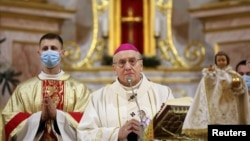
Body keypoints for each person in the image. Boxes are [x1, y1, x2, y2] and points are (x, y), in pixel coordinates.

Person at [1, 33, 91, 141]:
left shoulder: (79, 89)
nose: (49, 52)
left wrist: (57, 115)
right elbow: (9, 121)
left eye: (53, 48)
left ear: (62, 53)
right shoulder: (24, 89)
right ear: (39, 53)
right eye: (45, 48)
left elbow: (89, 122)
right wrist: (40, 118)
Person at [77, 43, 174, 141]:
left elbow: (174, 133)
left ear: (141, 65)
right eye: (122, 62)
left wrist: (146, 135)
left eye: (132, 61)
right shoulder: (98, 98)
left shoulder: (164, 94)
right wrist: (116, 134)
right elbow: (84, 134)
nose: (127, 67)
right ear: (114, 69)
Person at [182, 51, 250, 140]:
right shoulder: (211, 74)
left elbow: (239, 90)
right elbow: (207, 86)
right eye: (219, 60)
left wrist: (237, 84)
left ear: (228, 61)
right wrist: (210, 75)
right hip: (216, 109)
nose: (221, 62)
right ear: (216, 62)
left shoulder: (234, 75)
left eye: (223, 60)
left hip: (231, 108)